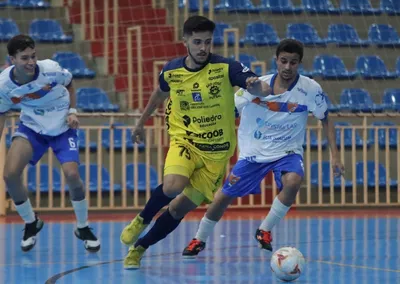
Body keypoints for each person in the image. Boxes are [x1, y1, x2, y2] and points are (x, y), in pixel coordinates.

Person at [120, 15, 271, 269]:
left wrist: (257, 87)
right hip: (185, 141)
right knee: (172, 186)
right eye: (198, 42)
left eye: (208, 42)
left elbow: (258, 88)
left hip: (217, 153)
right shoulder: (171, 70)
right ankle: (141, 219)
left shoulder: (226, 67)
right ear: (185, 42)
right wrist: (139, 123)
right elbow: (159, 94)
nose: (203, 48)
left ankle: (140, 247)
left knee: (179, 209)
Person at [182, 39, 345, 258]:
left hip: (287, 152)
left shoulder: (310, 89)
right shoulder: (256, 86)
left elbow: (325, 118)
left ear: (300, 64)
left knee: (294, 181)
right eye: (284, 61)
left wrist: (335, 156)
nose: (287, 67)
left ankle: (264, 229)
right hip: (253, 153)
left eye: (293, 63)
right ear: (276, 60)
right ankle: (199, 239)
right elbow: (227, 109)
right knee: (223, 196)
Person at [0, 35, 100, 252]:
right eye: (24, 58)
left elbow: (70, 84)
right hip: (32, 127)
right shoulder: (4, 85)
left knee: (72, 175)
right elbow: (1, 112)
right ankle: (31, 222)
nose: (31, 62)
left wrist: (73, 111)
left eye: (33, 56)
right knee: (9, 175)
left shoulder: (51, 70)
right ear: (12, 60)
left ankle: (83, 227)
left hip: (62, 126)